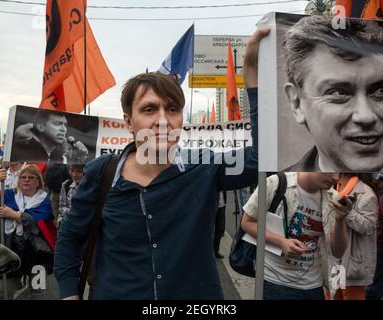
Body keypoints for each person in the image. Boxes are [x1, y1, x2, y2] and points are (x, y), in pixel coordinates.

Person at [54, 28, 269, 300]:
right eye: (149, 109)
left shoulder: (203, 166)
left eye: (172, 109)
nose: (163, 119)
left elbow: (261, 158)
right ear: (129, 122)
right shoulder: (102, 172)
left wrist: (252, 79)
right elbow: (70, 238)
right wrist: (68, 294)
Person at [282, 15, 383, 172]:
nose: (366, 116)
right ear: (297, 103)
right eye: (338, 92)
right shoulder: (276, 189)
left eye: (381, 90)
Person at [242, 172, 352, 300]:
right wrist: (281, 242)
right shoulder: (276, 183)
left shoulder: (333, 198)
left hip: (313, 285)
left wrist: (340, 220)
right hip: (275, 281)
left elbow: (338, 251)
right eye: (331, 170)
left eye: (338, 172)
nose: (336, 177)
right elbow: (248, 222)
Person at [0, 165, 57, 289]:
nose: (26, 180)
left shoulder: (44, 200)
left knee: (37, 291)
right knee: (1, 292)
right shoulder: (9, 194)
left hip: (37, 255)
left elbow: (38, 221)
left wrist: (14, 215)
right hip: (12, 251)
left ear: (38, 181)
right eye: (23, 177)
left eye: (31, 177)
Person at [322, 173, 378, 300]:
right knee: (332, 296)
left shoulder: (365, 193)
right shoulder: (332, 187)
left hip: (352, 264)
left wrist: (347, 213)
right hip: (334, 261)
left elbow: (369, 227)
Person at [12, 109, 88, 164]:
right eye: (57, 123)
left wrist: (80, 160)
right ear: (41, 127)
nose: (63, 129)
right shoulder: (19, 152)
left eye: (65, 125)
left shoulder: (62, 156)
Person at [213, 191, 227, 259]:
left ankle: (215, 251)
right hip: (211, 206)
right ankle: (209, 251)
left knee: (220, 229)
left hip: (222, 205)